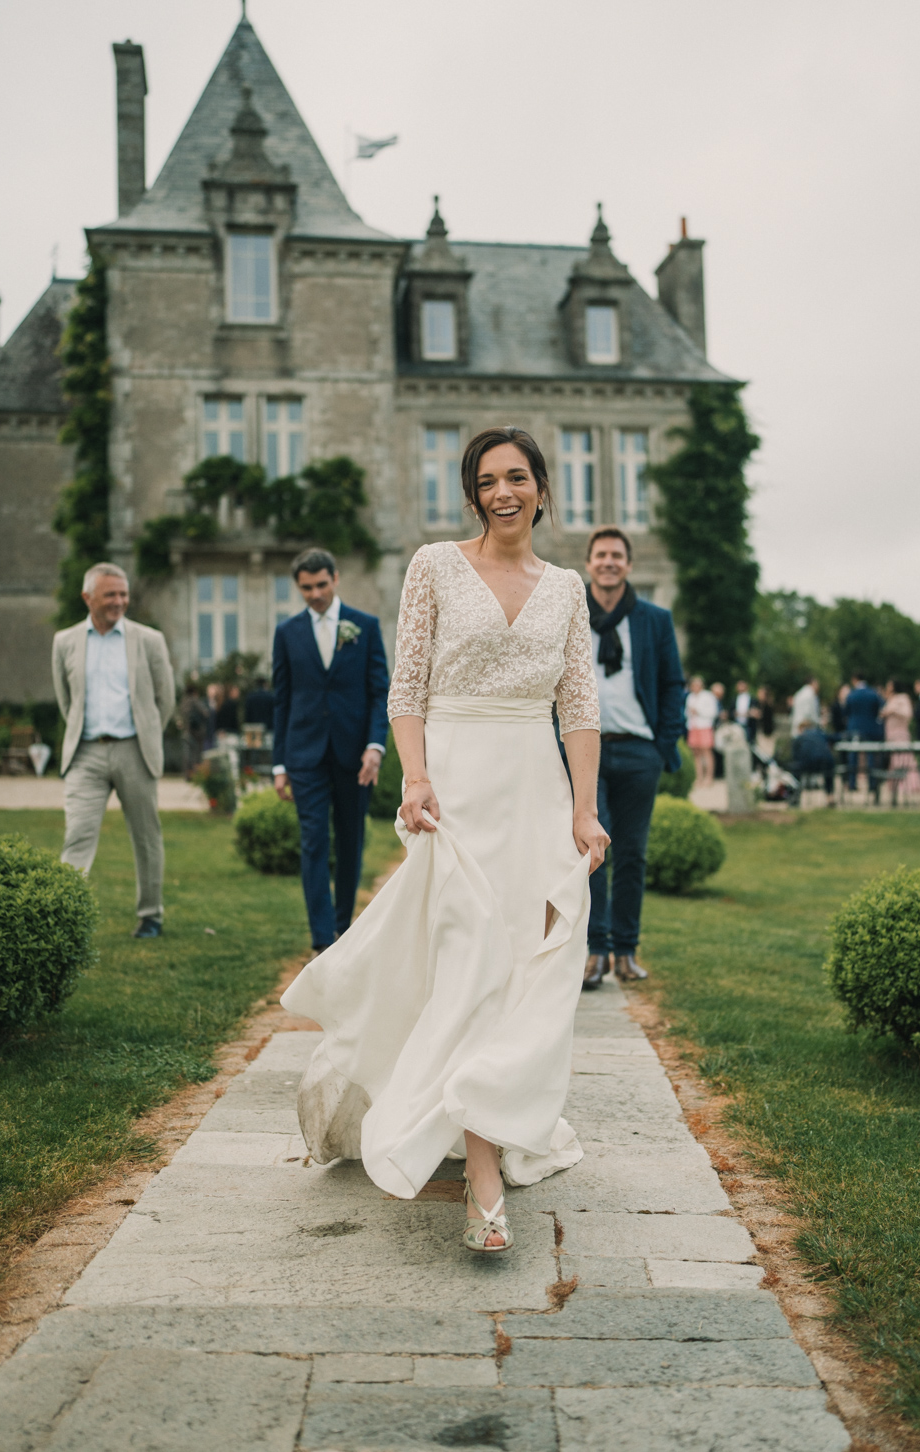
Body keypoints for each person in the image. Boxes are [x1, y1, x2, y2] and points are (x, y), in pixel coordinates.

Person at [281, 427, 608, 1255]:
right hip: (456, 786)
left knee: (526, 968)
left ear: (542, 487)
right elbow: (409, 686)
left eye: (518, 477)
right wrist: (416, 777)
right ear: (472, 495)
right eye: (488, 480)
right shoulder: (433, 565)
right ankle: (484, 1175)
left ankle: (484, 1127)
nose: (504, 492)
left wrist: (583, 811)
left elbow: (578, 708)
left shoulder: (566, 589)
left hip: (534, 790)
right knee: (467, 963)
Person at [581, 527, 685, 991]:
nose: (608, 562)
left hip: (640, 750)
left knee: (633, 855)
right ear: (589, 564)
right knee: (590, 852)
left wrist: (663, 745)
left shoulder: (654, 620)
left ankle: (626, 951)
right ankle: (594, 952)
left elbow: (672, 685)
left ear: (628, 564)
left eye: (616, 555)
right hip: (586, 751)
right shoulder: (569, 614)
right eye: (601, 554)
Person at [272, 549, 390, 953]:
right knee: (313, 840)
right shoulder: (287, 633)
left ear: (335, 578)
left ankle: (344, 927)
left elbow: (380, 692)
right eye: (306, 588)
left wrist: (375, 746)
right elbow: (282, 701)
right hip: (305, 755)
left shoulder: (364, 626)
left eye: (321, 584)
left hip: (355, 755)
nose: (315, 593)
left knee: (350, 840)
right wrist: (279, 764)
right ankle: (323, 939)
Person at [52, 562, 175, 938]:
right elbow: (65, 699)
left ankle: (150, 916)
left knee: (146, 836)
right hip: (86, 754)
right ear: (88, 597)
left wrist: (146, 736)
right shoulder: (65, 641)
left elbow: (164, 698)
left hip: (134, 750)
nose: (119, 601)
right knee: (78, 835)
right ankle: (65, 917)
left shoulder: (148, 640)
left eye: (123, 594)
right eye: (110, 595)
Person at [880, 680, 920, 796]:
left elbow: (908, 714)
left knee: (903, 759)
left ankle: (908, 784)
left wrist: (893, 711)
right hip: (891, 734)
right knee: (894, 761)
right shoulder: (891, 698)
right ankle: (895, 785)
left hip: (900, 733)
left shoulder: (903, 698)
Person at [844, 673, 882, 791]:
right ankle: (872, 784)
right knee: (871, 757)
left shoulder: (851, 695)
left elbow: (847, 712)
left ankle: (852, 783)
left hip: (854, 729)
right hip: (870, 729)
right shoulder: (873, 693)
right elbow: (877, 710)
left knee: (853, 757)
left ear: (854, 679)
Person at [790, 719, 835, 801]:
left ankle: (794, 797)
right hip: (827, 762)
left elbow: (795, 757)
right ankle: (830, 796)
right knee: (828, 770)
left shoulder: (799, 738)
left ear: (802, 729)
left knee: (795, 769)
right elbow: (835, 737)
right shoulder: (820, 733)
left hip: (809, 764)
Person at [686, 677, 718, 786]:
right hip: (693, 726)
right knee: (696, 753)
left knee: (706, 752)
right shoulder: (690, 697)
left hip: (704, 726)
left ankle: (709, 777)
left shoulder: (708, 696)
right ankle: (699, 777)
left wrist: (698, 711)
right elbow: (686, 713)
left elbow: (713, 712)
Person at [176, 683, 208, 779]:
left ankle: (187, 774)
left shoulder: (183, 702)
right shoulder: (195, 701)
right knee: (197, 753)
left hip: (186, 731)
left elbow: (179, 718)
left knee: (187, 753)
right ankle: (196, 774)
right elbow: (205, 713)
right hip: (197, 731)